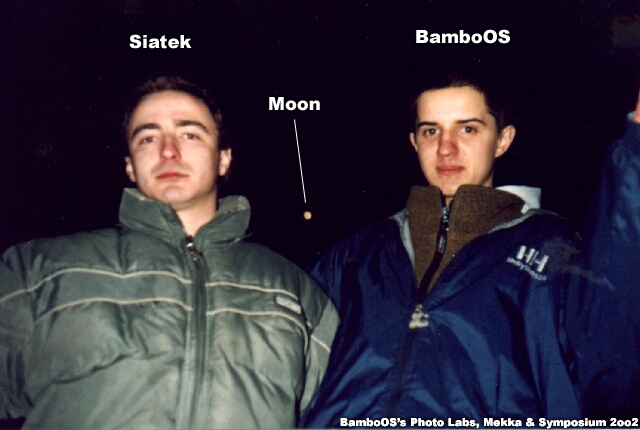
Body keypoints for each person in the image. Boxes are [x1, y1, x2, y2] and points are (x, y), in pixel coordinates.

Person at [0, 76, 338, 429]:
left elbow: (338, 409)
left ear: (224, 159)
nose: (168, 151)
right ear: (130, 165)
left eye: (190, 134)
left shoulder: (295, 290)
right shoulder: (39, 270)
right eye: (148, 138)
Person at [301, 76, 640, 425]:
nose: (445, 148)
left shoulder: (557, 253)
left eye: (468, 129)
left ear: (503, 140)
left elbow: (613, 368)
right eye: (430, 131)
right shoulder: (355, 256)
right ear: (414, 142)